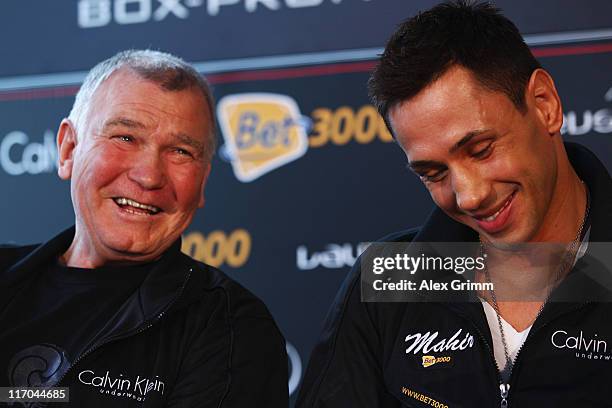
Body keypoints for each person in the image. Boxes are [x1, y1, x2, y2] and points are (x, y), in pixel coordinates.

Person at [297, 1, 612, 407]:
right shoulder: (390, 281)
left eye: (480, 150)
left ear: (544, 104)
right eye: (434, 173)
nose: (469, 195)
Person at [0, 50, 288, 407]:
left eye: (181, 151)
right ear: (68, 149)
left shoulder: (231, 330)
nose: (149, 175)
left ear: (203, 182)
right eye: (125, 137)